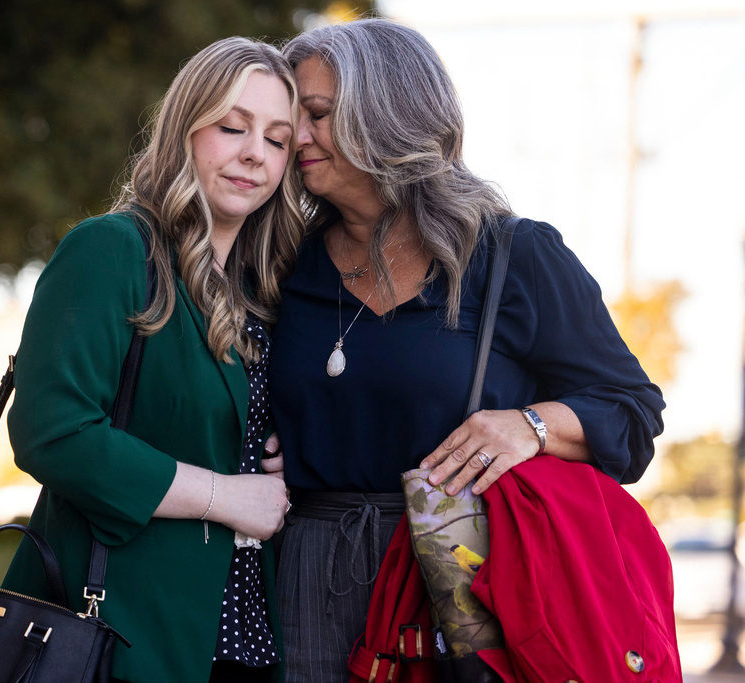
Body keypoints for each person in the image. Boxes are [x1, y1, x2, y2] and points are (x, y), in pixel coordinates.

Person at [267, 18, 665, 682]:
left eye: (317, 115)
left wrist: (530, 426)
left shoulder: (514, 255)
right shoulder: (280, 260)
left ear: (386, 115)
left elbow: (631, 412)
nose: (295, 137)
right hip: (304, 582)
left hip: (456, 572)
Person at [1, 37, 305, 683]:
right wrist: (226, 495)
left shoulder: (263, 293)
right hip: (116, 636)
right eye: (232, 126)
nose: (255, 152)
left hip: (243, 641)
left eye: (278, 139)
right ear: (185, 129)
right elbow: (53, 433)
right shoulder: (112, 250)